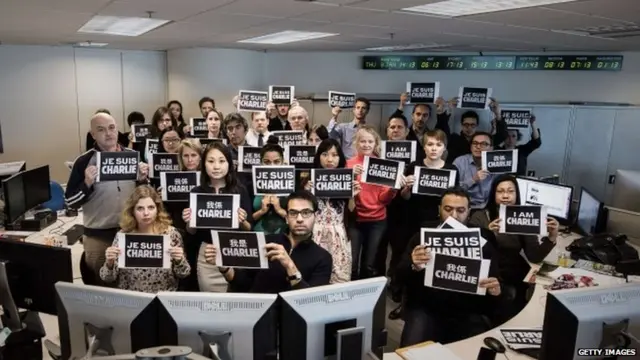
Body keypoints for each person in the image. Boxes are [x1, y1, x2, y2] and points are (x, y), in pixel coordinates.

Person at [397, 187, 503, 346]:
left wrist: (495, 290)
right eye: (448, 209)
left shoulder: (484, 239)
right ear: (439, 209)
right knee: (411, 348)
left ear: (469, 212)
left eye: (461, 210)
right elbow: (398, 276)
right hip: (426, 307)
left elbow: (494, 280)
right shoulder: (423, 234)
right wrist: (413, 265)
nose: (454, 215)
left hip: (467, 310)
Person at [65, 112, 149, 286]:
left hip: (130, 231)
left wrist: (142, 179)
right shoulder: (83, 161)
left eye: (112, 128)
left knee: (131, 282)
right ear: (93, 134)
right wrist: (86, 184)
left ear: (117, 129)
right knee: (102, 283)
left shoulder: (132, 156)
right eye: (101, 130)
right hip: (98, 235)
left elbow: (144, 197)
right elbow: (70, 202)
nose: (108, 133)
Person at [388, 129, 460, 314]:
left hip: (438, 222)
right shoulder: (413, 166)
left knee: (430, 261)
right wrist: (406, 189)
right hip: (412, 221)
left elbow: (453, 200)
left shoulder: (451, 170)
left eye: (438, 145)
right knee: (408, 261)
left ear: (444, 147)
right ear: (424, 146)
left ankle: (424, 302)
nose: (434, 148)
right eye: (430, 144)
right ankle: (402, 301)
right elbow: (403, 199)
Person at [469, 174, 558, 322]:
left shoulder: (523, 217)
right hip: (487, 274)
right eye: (500, 191)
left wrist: (552, 237)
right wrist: (488, 233)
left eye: (510, 191)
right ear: (493, 194)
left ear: (517, 194)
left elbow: (534, 256)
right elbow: (472, 253)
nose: (505, 196)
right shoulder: (479, 216)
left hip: (513, 274)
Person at [205, 191, 332, 293]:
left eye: (306, 213)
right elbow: (243, 285)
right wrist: (225, 268)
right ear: (286, 218)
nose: (299, 219)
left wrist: (289, 266)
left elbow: (312, 302)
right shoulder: (266, 242)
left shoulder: (323, 258)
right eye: (293, 213)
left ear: (316, 216)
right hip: (258, 314)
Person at [182, 142, 253, 292]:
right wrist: (189, 221)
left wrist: (242, 220)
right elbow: (192, 232)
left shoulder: (240, 190)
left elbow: (249, 229)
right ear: (204, 164)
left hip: (234, 251)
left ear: (229, 164)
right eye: (211, 161)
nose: (216, 166)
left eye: (221, 161)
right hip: (208, 255)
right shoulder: (196, 192)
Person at [100, 185, 190, 292]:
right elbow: (107, 278)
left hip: (163, 298)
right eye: (140, 208)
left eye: (151, 208)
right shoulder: (124, 236)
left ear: (158, 209)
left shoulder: (171, 234)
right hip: (132, 299)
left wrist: (180, 260)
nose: (146, 213)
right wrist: (109, 263)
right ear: (132, 211)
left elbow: (183, 274)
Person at [303, 139, 360, 283]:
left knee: (338, 281)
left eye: (334, 155)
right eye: (325, 154)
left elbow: (352, 213)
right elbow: (302, 212)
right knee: (314, 278)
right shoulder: (308, 180)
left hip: (338, 236)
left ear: (340, 158)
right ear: (318, 157)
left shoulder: (347, 180)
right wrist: (306, 193)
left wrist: (352, 196)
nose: (330, 159)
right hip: (314, 234)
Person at [347, 125, 398, 280]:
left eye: (370, 141)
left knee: (369, 264)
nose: (367, 145)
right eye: (363, 141)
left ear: (375, 144)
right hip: (355, 219)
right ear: (357, 143)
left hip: (377, 220)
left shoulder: (382, 165)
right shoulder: (349, 164)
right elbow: (344, 195)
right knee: (352, 263)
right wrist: (351, 175)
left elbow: (384, 199)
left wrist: (392, 189)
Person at [445, 98, 509, 163]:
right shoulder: (453, 139)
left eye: (472, 125)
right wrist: (449, 111)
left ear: (477, 125)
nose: (469, 128)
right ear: (462, 125)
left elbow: (503, 135)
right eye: (466, 125)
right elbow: (442, 133)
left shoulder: (484, 140)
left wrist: (497, 114)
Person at [252, 137, 288, 234]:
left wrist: (279, 210)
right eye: (267, 162)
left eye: (276, 162)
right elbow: (247, 219)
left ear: (283, 161)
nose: (272, 165)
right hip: (258, 234)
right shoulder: (252, 183)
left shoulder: (291, 183)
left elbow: (296, 218)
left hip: (283, 235)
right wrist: (262, 211)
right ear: (261, 162)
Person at [453, 131, 497, 209]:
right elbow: (452, 190)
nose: (478, 146)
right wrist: (473, 180)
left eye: (483, 144)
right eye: (475, 143)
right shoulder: (460, 162)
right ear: (471, 147)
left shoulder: (497, 164)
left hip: (488, 208)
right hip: (463, 206)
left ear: (491, 148)